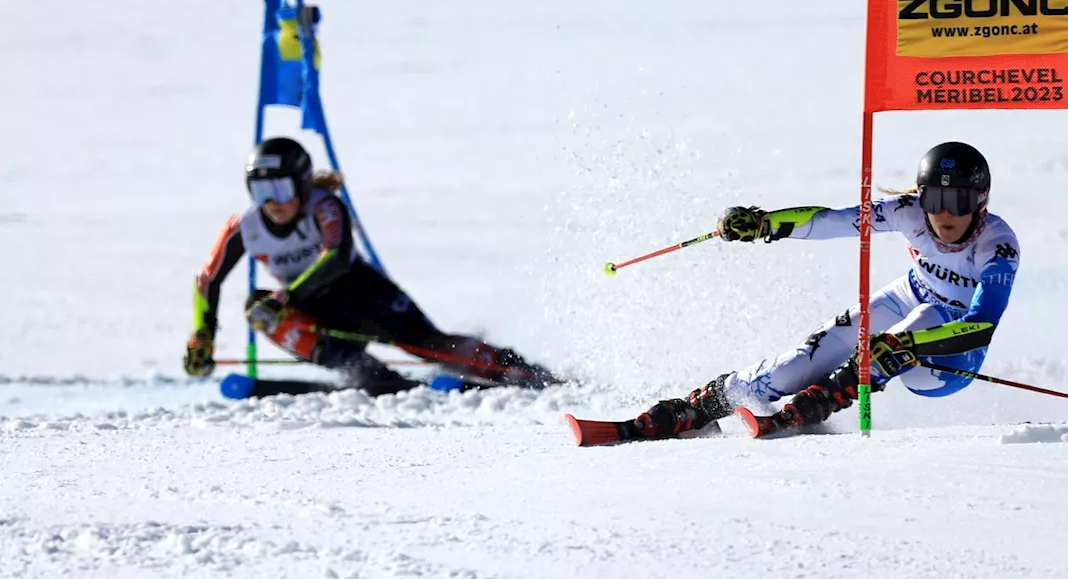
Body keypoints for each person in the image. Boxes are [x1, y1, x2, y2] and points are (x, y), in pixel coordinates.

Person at [629, 141, 1019, 437]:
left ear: (981, 200)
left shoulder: (997, 244)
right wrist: (765, 224)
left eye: (960, 199)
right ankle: (706, 405)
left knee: (918, 322)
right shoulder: (908, 211)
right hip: (912, 294)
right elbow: (834, 221)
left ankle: (819, 402)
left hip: (952, 355)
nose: (946, 213)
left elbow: (982, 325)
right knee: (800, 362)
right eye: (935, 198)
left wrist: (912, 346)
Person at [183, 137, 558, 393]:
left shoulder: (324, 207)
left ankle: (521, 371)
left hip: (361, 293)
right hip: (308, 308)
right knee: (258, 310)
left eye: (280, 190)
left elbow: (335, 259)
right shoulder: (242, 227)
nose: (272, 203)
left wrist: (286, 294)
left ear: (300, 184)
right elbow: (207, 280)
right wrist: (203, 337)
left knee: (430, 346)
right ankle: (366, 374)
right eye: (261, 192)